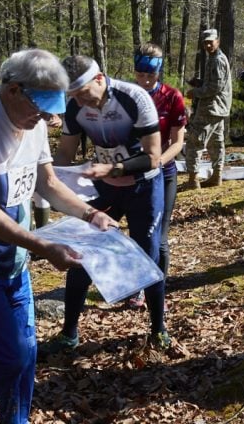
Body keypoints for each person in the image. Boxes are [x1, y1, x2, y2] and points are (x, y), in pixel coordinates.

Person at [0, 48, 117, 424]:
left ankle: (16, 420)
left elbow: (48, 183)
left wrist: (90, 214)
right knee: (4, 357)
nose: (45, 118)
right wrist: (43, 246)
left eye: (51, 111)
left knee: (26, 354)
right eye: (40, 109)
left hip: (13, 259)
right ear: (13, 90)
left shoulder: (36, 124)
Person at [43, 54, 171, 352]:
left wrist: (114, 169)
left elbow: (153, 156)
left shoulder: (134, 98)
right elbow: (64, 152)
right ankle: (69, 332)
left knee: (147, 257)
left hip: (143, 187)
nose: (79, 101)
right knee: (82, 254)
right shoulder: (75, 105)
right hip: (103, 187)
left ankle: (158, 328)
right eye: (72, 95)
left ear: (99, 79)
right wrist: (48, 178)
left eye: (83, 92)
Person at [125, 42, 187, 309]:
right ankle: (137, 286)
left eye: (150, 75)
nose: (145, 80)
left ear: (159, 72)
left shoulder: (172, 97)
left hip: (164, 172)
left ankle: (157, 288)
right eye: (140, 75)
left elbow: (177, 142)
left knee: (158, 237)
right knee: (136, 233)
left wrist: (157, 162)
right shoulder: (126, 95)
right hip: (131, 173)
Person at [184, 28, 232, 189]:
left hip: (211, 107)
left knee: (193, 141)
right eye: (205, 43)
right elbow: (214, 83)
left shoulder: (217, 59)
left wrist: (195, 92)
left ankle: (193, 179)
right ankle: (217, 176)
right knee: (216, 142)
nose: (208, 45)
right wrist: (199, 82)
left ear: (217, 41)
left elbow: (215, 87)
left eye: (210, 42)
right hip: (218, 108)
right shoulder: (214, 58)